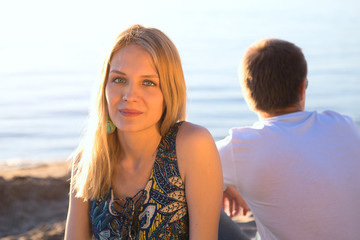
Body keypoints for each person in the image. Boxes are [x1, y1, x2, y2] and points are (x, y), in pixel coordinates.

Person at [65, 24, 223, 240]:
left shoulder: (192, 145)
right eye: (119, 79)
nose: (130, 95)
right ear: (105, 86)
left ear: (169, 91)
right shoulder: (89, 159)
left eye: (148, 82)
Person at [217, 38, 360, 240]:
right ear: (303, 87)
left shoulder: (239, 148)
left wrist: (214, 181)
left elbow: (183, 167)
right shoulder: (344, 125)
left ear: (247, 94)